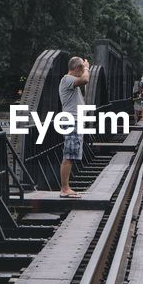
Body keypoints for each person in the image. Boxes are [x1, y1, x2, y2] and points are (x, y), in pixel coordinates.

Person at [58, 56, 90, 198]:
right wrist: (87, 68)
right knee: (69, 155)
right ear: (77, 69)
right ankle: (65, 189)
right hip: (72, 121)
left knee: (70, 155)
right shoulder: (67, 79)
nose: (83, 72)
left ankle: (66, 187)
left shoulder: (70, 81)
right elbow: (85, 80)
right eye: (81, 69)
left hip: (75, 121)